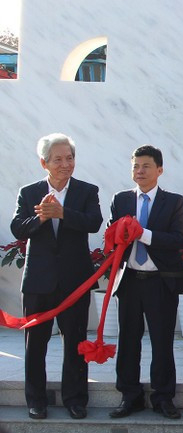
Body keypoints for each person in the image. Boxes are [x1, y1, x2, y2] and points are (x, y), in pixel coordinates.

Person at [11, 133, 103, 420]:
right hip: (39, 280)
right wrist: (42, 217)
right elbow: (18, 229)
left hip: (75, 280)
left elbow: (94, 222)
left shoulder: (87, 191)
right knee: (35, 344)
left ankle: (75, 400)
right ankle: (36, 401)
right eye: (59, 159)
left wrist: (63, 213)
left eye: (70, 158)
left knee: (75, 342)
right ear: (44, 162)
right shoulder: (29, 192)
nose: (66, 164)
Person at [107, 145, 183, 420]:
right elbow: (111, 239)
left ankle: (163, 398)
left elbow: (179, 239)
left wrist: (145, 234)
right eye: (135, 166)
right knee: (128, 340)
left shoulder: (173, 201)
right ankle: (130, 396)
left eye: (145, 166)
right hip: (129, 280)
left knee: (162, 341)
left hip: (160, 282)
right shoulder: (120, 199)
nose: (139, 171)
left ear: (159, 170)